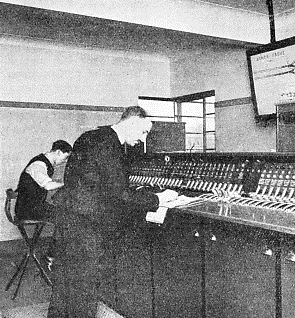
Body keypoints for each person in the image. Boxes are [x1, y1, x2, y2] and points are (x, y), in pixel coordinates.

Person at [47, 106, 178, 318]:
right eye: (143, 132)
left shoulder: (89, 137)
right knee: (85, 290)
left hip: (67, 221)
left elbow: (89, 183)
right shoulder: (110, 146)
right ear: (132, 122)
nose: (143, 139)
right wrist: (159, 198)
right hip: (86, 227)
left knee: (63, 287)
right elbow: (120, 196)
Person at [15, 139, 72, 268]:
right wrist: (67, 183)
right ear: (58, 152)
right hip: (27, 209)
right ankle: (50, 257)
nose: (65, 161)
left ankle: (52, 255)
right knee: (65, 218)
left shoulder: (43, 163)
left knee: (64, 214)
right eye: (65, 157)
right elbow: (48, 186)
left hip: (32, 206)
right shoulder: (39, 164)